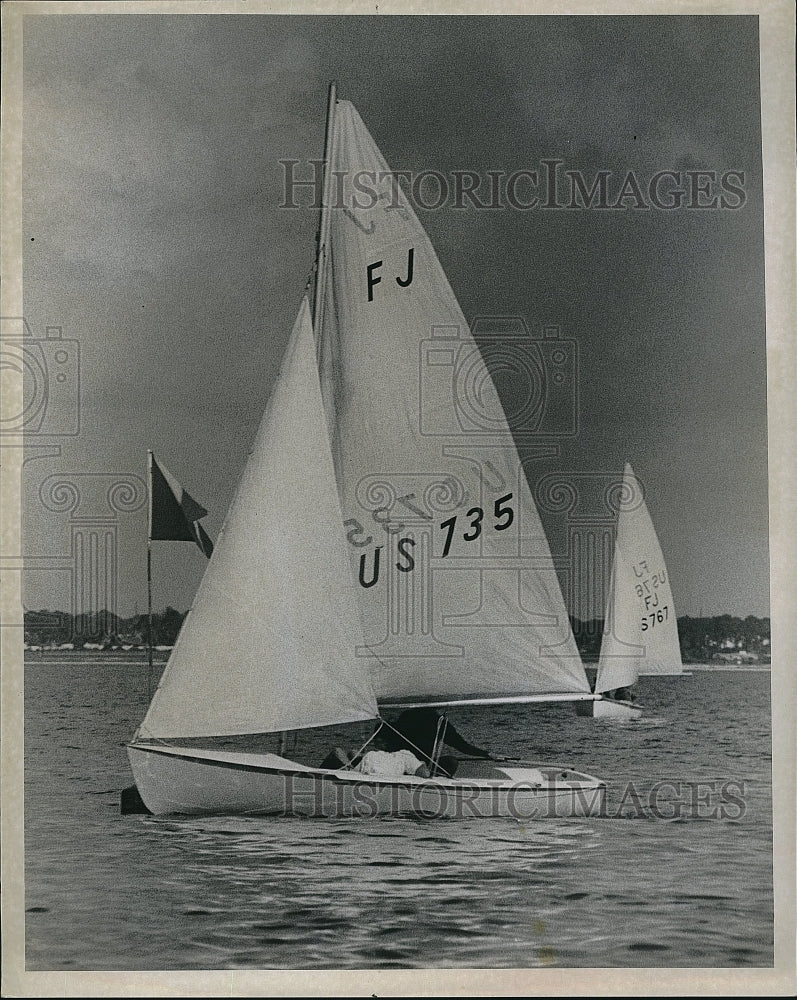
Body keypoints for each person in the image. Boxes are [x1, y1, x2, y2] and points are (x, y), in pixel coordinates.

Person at [384, 707, 493, 774]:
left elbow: (461, 745)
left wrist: (487, 754)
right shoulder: (409, 717)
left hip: (420, 764)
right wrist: (487, 754)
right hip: (405, 762)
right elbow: (462, 746)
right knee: (451, 762)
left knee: (451, 762)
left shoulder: (439, 723)